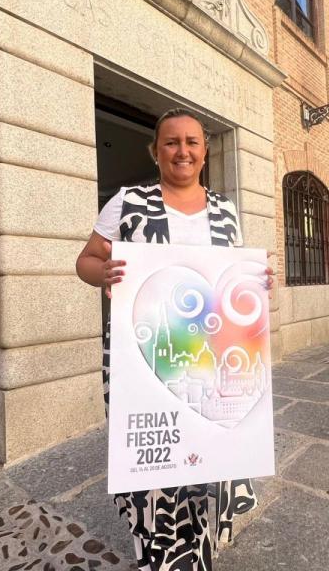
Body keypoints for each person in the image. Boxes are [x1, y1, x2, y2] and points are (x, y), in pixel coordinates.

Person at [76, 108, 273, 571]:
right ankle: (160, 553)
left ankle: (198, 551)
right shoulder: (128, 202)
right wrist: (103, 273)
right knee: (155, 467)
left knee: (209, 457)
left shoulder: (225, 211)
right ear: (155, 151)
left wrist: (256, 283)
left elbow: (228, 280)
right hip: (144, 355)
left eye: (192, 142)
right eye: (171, 142)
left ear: (205, 151)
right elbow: (86, 261)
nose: (182, 151)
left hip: (211, 358)